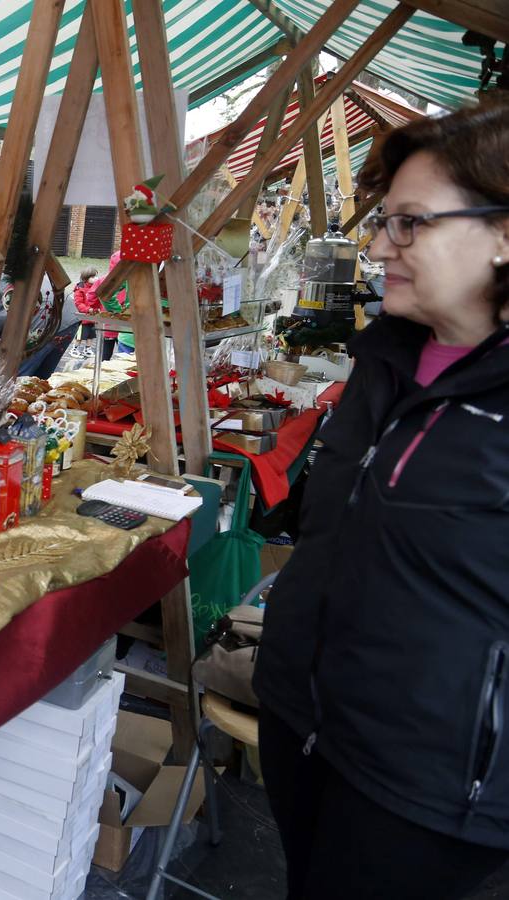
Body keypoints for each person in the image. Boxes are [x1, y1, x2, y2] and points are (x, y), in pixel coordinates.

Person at [253, 100, 509, 900]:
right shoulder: (385, 359)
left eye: (410, 225)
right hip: (303, 718)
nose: (377, 246)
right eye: (381, 222)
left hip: (425, 787)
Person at [71, 266, 101, 360]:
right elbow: (79, 303)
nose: (95, 279)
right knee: (80, 335)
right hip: (83, 317)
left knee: (91, 335)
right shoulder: (80, 289)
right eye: (92, 277)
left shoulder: (96, 288)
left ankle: (87, 349)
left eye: (96, 276)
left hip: (93, 316)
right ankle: (75, 349)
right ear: (85, 278)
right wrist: (88, 309)